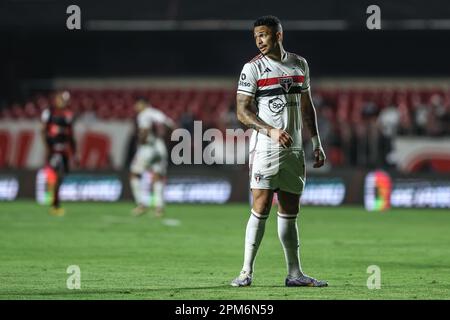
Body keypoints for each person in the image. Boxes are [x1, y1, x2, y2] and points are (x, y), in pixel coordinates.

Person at [231, 16, 328, 287]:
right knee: (261, 206)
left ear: (279, 35)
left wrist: (316, 142)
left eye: (264, 35)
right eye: (256, 36)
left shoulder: (299, 64)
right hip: (266, 149)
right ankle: (246, 271)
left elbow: (307, 106)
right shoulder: (252, 69)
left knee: (289, 210)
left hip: (295, 149)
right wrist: (269, 130)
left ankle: (294, 274)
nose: (260, 40)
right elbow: (241, 112)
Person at [129, 97, 175, 217]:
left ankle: (141, 204)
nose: (136, 107)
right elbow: (171, 126)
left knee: (134, 174)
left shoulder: (144, 115)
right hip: (160, 147)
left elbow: (144, 130)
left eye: (137, 104)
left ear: (143, 104)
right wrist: (164, 140)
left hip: (147, 148)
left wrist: (141, 141)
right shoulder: (157, 113)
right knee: (157, 176)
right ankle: (159, 208)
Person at [41, 90, 77, 216]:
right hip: (54, 149)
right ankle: (54, 204)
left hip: (64, 151)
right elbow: (43, 131)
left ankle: (53, 199)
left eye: (64, 100)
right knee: (56, 174)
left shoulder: (69, 115)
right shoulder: (49, 113)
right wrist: (47, 147)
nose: (61, 102)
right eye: (60, 99)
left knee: (61, 177)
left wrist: (74, 153)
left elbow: (71, 136)